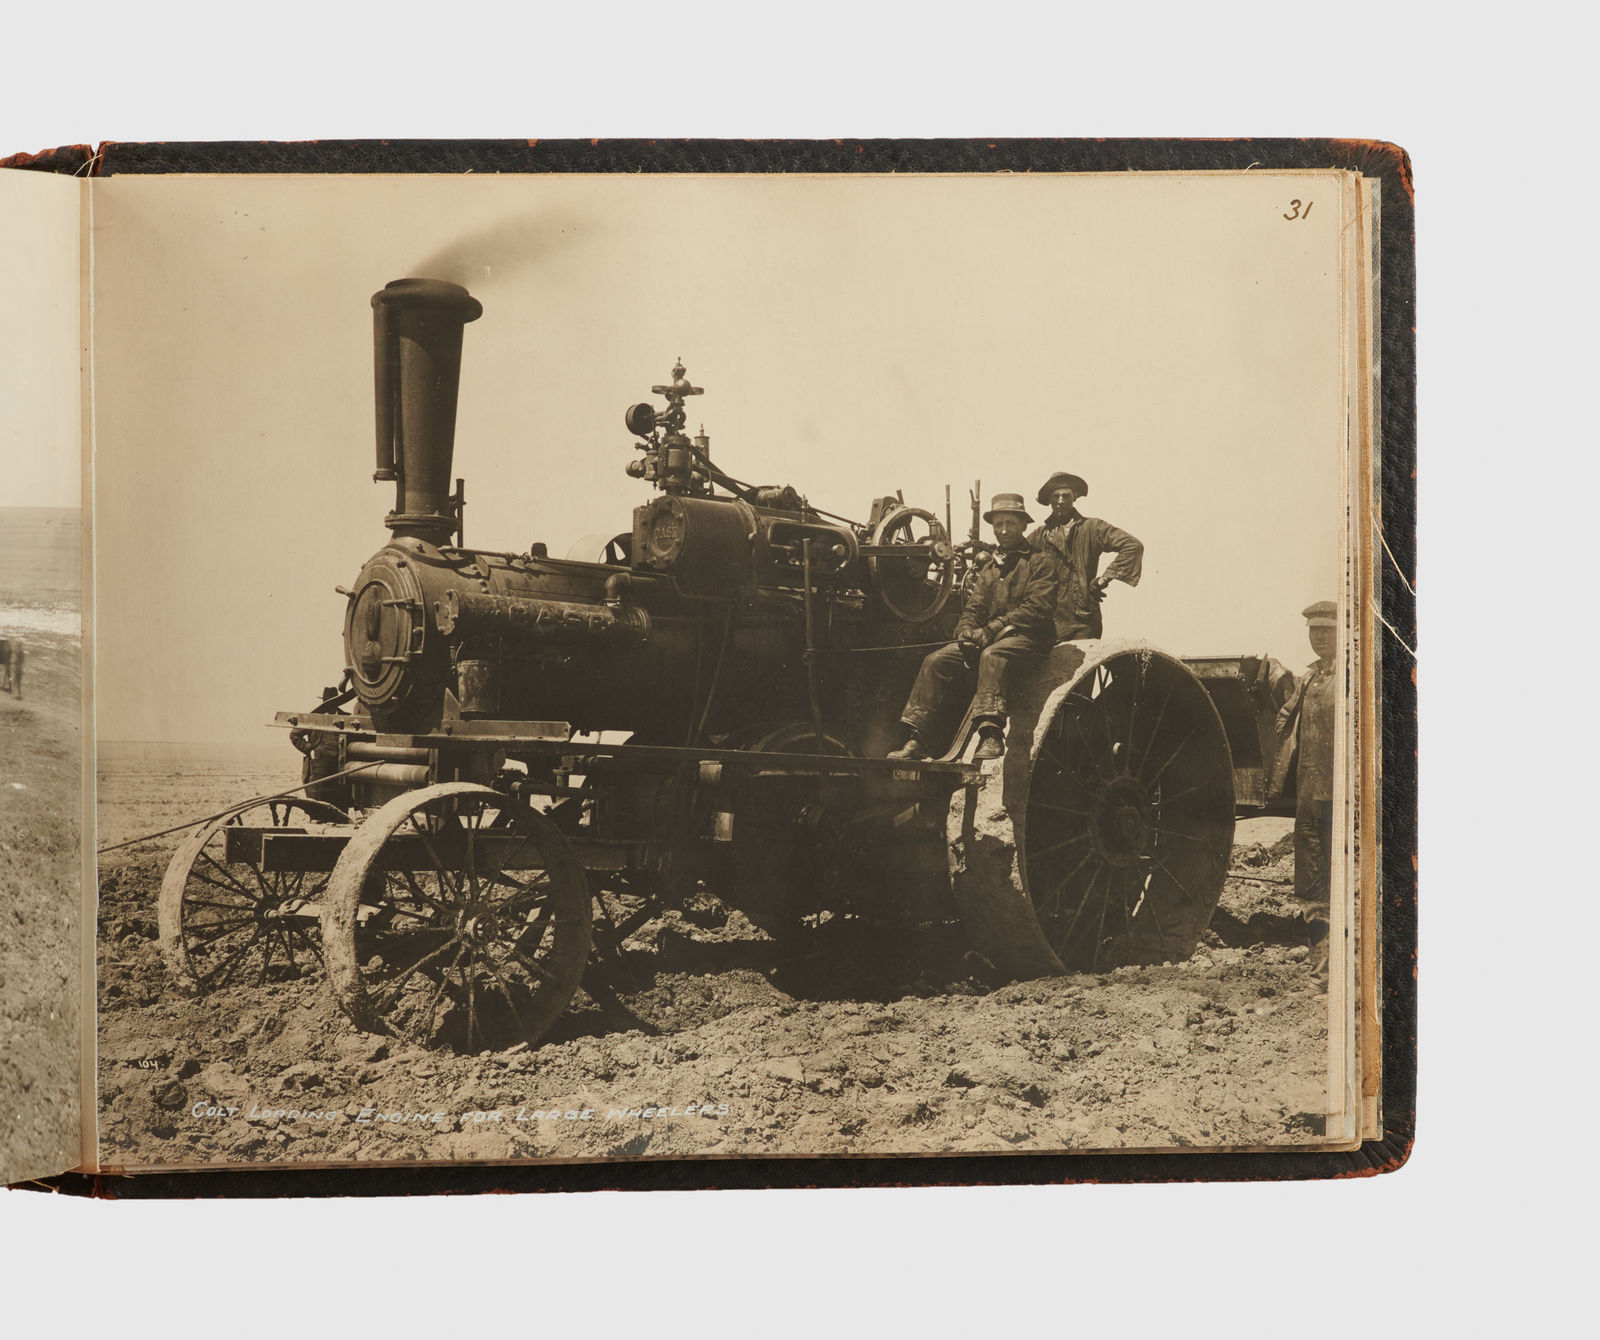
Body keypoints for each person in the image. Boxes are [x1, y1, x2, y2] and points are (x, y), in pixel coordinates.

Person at [887, 493, 1061, 762]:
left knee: (993, 655)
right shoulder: (990, 566)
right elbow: (974, 607)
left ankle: (991, 734)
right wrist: (965, 632)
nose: (1003, 530)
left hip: (1030, 640)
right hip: (994, 638)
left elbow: (1036, 608)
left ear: (1023, 525)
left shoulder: (1040, 562)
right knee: (936, 660)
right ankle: (917, 740)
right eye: (998, 524)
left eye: (1010, 524)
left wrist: (989, 631)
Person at [1026, 471, 1143, 641]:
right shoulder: (1039, 535)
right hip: (1048, 619)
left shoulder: (1093, 528)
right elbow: (1019, 557)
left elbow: (1132, 545)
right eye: (1055, 496)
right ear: (1049, 500)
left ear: (1074, 497)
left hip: (1082, 617)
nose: (1060, 501)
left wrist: (1106, 578)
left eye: (1065, 496)